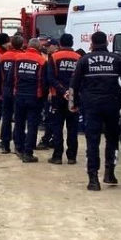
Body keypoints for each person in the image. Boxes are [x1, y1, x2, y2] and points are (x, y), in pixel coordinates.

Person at [69, 31, 121, 190]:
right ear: (106, 42)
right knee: (112, 139)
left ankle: (93, 179)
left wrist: (73, 104)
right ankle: (109, 173)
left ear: (91, 43)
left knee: (92, 141)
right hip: (112, 105)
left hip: (91, 106)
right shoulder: (117, 60)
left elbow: (74, 85)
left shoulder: (84, 60)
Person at [45, 33, 80, 165]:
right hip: (73, 97)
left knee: (57, 127)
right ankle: (71, 157)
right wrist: (70, 92)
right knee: (73, 128)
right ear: (72, 43)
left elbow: (50, 78)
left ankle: (57, 156)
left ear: (60, 44)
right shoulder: (79, 58)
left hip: (57, 97)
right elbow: (80, 79)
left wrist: (62, 90)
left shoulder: (54, 57)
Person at [10, 37, 46, 163]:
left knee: (19, 123)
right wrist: (43, 99)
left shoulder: (17, 58)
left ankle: (18, 148)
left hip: (19, 95)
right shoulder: (41, 61)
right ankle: (28, 153)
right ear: (38, 48)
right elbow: (44, 82)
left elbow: (11, 78)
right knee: (32, 126)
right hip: (34, 98)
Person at [0, 35, 24, 154]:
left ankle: (5, 145)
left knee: (6, 117)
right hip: (18, 90)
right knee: (19, 118)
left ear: (11, 44)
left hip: (6, 90)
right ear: (22, 44)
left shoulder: (3, 57)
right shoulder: (22, 57)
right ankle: (18, 146)